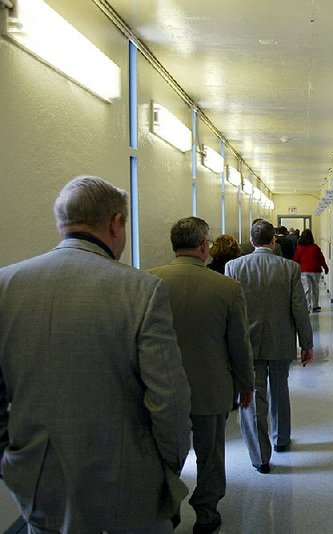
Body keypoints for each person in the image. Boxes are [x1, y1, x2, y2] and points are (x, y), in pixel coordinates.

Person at [0, 176, 192, 533]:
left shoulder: (6, 284)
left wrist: (13, 461)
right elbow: (169, 400)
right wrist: (167, 467)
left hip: (39, 480)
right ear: (116, 223)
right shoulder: (141, 290)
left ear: (62, 224)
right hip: (128, 480)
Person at [148, 217, 254, 534]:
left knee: (163, 456)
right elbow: (239, 344)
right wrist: (246, 384)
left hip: (160, 389)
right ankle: (206, 513)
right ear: (203, 246)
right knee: (209, 456)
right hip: (212, 387)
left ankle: (166, 514)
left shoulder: (149, 282)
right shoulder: (226, 287)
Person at [225, 221, 313, 472]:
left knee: (252, 396)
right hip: (280, 341)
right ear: (273, 241)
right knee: (280, 390)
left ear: (252, 241)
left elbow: (229, 311)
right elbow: (299, 309)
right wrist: (306, 343)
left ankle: (260, 457)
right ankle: (281, 440)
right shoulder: (290, 269)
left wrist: (228, 346)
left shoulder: (233, 267)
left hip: (246, 344)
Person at [293, 228, 329, 312]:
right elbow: (321, 258)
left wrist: (295, 270)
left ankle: (307, 307)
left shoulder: (300, 248)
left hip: (304, 271)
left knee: (307, 289)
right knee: (315, 288)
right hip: (315, 270)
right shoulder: (315, 247)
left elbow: (295, 259)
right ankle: (315, 306)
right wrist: (325, 267)